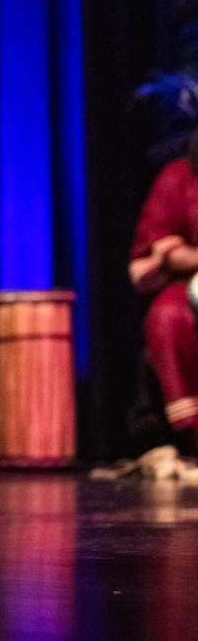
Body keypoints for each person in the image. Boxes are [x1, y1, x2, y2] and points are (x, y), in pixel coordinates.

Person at [129, 139, 198, 456]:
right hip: (190, 281)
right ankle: (191, 433)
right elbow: (164, 249)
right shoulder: (179, 177)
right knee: (168, 315)